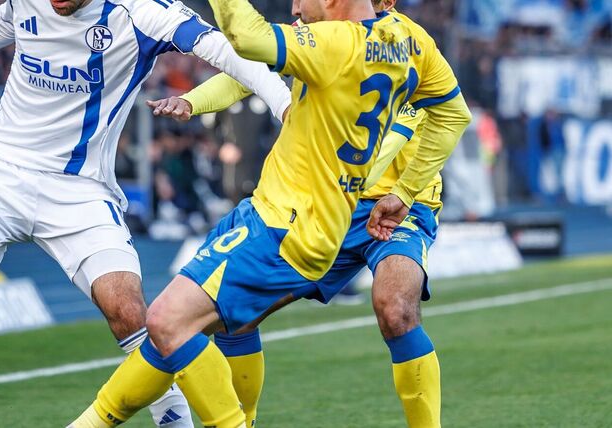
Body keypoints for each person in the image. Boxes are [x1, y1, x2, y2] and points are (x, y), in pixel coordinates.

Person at [0, 0, 292, 427]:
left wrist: (283, 104)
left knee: (130, 312)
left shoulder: (144, 13)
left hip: (80, 190)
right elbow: (8, 18)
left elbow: (233, 54)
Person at [70, 0, 471, 426]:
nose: (295, 7)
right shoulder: (356, 41)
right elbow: (249, 72)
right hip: (331, 205)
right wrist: (194, 101)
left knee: (395, 307)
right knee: (215, 322)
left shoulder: (369, 44)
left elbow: (395, 139)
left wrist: (399, 191)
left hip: (364, 207)